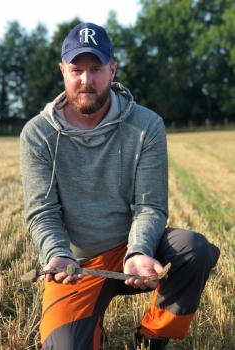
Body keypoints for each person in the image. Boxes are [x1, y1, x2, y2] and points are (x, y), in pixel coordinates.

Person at [19, 22, 220, 350]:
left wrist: (139, 250)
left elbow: (150, 205)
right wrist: (57, 254)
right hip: (78, 265)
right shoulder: (37, 134)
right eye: (77, 70)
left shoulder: (147, 125)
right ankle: (90, 328)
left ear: (113, 70)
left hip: (134, 252)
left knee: (192, 250)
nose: (87, 80)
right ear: (62, 71)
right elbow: (42, 213)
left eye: (96, 68)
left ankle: (152, 337)